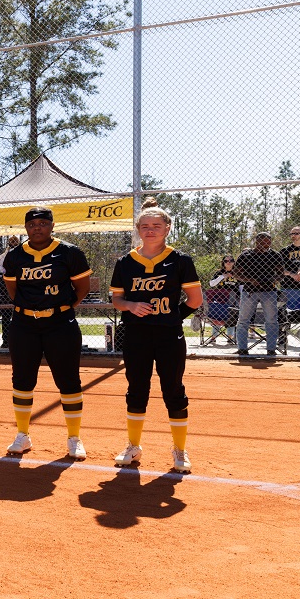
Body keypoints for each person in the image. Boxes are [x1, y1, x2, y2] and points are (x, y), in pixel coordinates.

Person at [108, 199, 201, 473]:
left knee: (173, 389)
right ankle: (133, 446)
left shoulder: (180, 260)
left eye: (156, 226)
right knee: (137, 389)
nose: (150, 230)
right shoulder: (125, 262)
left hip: (168, 336)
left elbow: (194, 299)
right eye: (145, 226)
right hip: (136, 335)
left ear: (168, 228)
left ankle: (180, 450)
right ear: (138, 229)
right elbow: (117, 299)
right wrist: (130, 305)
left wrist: (171, 317)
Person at [1, 206, 92, 459]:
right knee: (22, 380)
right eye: (32, 224)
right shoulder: (16, 256)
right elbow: (13, 290)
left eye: (42, 223)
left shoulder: (69, 253)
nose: (37, 228)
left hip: (60, 324)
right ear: (26, 227)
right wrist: (31, 308)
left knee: (69, 380)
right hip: (24, 325)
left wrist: (60, 309)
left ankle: (74, 438)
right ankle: (22, 435)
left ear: (52, 226)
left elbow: (81, 288)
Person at [233, 232, 285, 356]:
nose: (267, 245)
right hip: (249, 291)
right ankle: (242, 348)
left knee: (271, 320)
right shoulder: (246, 255)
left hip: (269, 291)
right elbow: (236, 274)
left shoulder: (275, 255)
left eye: (269, 242)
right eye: (264, 242)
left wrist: (272, 280)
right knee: (243, 320)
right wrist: (251, 280)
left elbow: (281, 274)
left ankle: (271, 349)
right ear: (257, 242)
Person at [205, 256, 239, 345]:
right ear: (223, 262)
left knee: (232, 313)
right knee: (218, 313)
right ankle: (213, 337)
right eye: (226, 261)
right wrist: (223, 276)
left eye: (231, 260)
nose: (228, 262)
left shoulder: (238, 273)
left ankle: (230, 337)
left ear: (234, 262)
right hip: (220, 299)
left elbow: (241, 287)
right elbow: (211, 284)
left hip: (233, 299)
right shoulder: (219, 273)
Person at [280, 226, 300, 315]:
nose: (293, 235)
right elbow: (278, 269)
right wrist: (291, 274)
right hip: (289, 285)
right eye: (292, 234)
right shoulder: (284, 251)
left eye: (296, 233)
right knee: (289, 314)